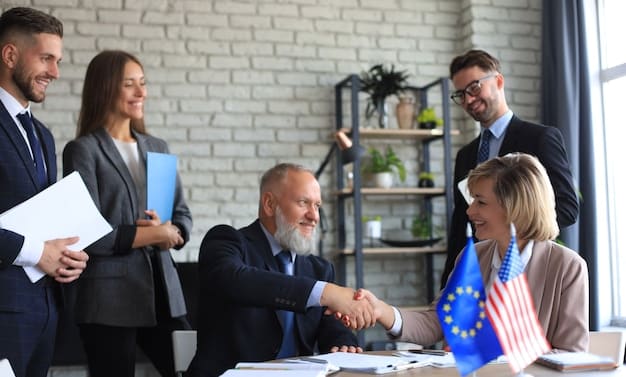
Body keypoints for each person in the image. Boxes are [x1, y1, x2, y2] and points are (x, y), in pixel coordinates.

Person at [346, 153, 589, 353]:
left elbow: (571, 355)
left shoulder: (567, 267)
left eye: (481, 202)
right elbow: (437, 322)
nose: (470, 211)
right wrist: (381, 310)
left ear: (515, 208)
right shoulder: (473, 257)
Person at [62, 50, 193, 377]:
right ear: (105, 88)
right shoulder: (83, 151)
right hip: (107, 301)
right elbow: (87, 233)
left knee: (194, 369)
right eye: (130, 84)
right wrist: (155, 234)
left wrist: (172, 234)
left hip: (164, 293)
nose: (141, 92)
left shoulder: (157, 147)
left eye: (143, 83)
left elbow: (182, 216)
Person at [185, 163, 375, 377]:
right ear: (269, 204)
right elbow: (234, 280)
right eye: (304, 203)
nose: (315, 217)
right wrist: (325, 293)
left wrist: (342, 342)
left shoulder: (319, 269)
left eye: (317, 206)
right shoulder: (226, 241)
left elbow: (329, 325)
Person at [440, 49, 579, 288]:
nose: (469, 100)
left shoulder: (539, 139)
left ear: (499, 81)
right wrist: (449, 280)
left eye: (474, 88)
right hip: (477, 278)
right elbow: (460, 223)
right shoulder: (465, 155)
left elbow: (566, 206)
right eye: (461, 94)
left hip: (528, 272)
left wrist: (512, 238)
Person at [0, 7, 90, 377]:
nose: (55, 72)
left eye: (58, 61)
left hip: (44, 312)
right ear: (10, 55)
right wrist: (40, 253)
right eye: (46, 59)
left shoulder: (43, 134)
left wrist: (67, 255)